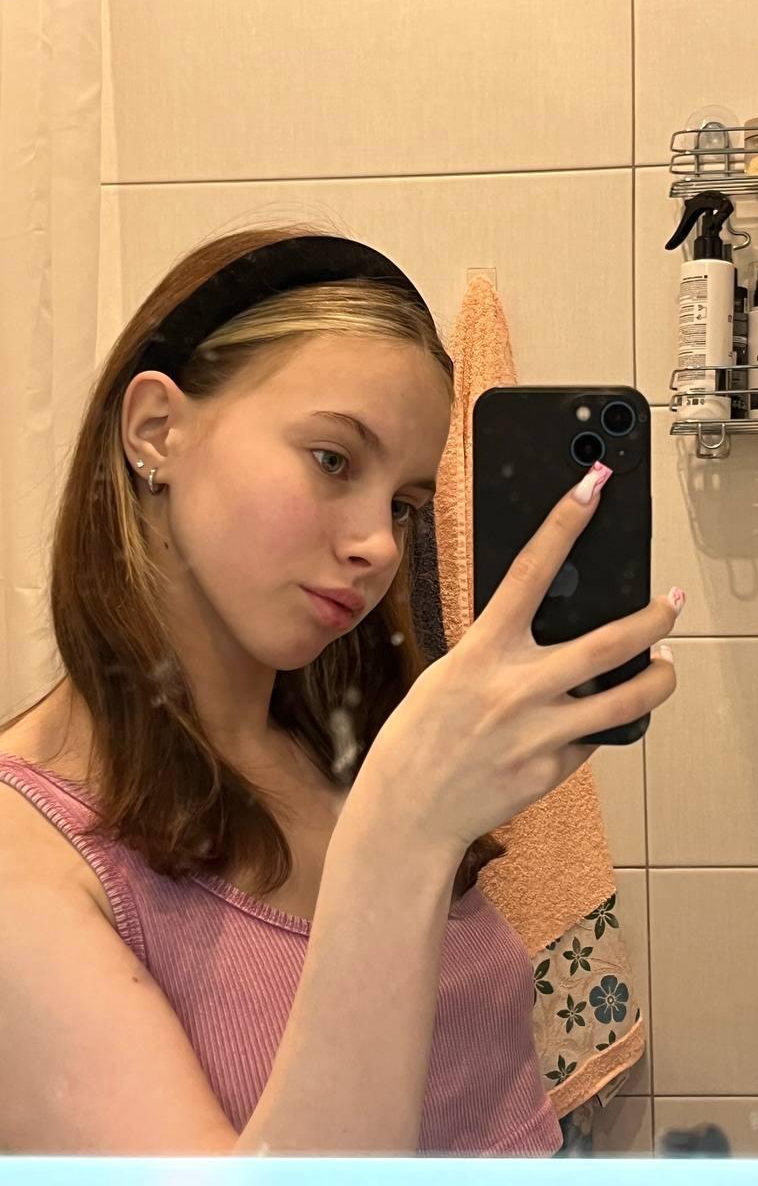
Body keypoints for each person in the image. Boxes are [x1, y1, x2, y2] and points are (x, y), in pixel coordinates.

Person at [0, 225, 679, 1156]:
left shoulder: (338, 746)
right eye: (332, 460)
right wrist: (403, 830)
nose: (380, 545)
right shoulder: (27, 861)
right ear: (157, 430)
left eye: (402, 503)